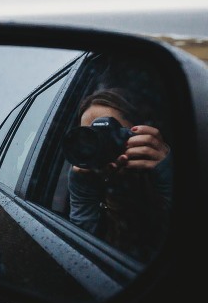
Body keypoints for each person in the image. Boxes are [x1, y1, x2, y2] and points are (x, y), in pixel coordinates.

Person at [66, 88, 172, 261]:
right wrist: (82, 197)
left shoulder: (162, 182)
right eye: (89, 136)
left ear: (140, 136)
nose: (97, 146)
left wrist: (168, 176)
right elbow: (82, 259)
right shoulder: (89, 188)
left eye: (109, 135)